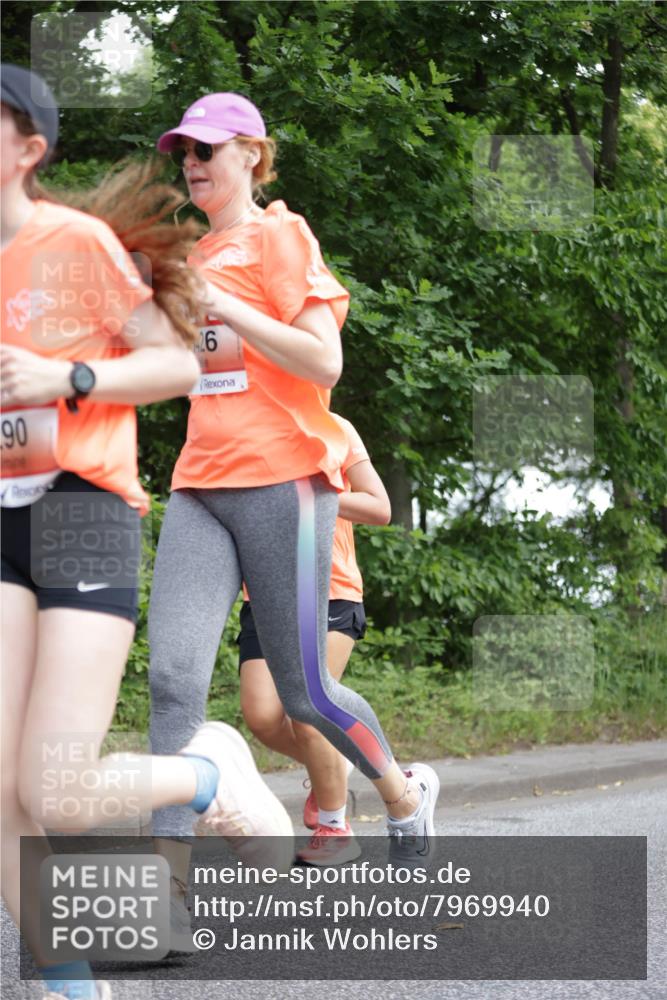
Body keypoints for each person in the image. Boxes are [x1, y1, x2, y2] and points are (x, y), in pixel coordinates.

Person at [0, 65, 293, 1000]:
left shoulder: (73, 243)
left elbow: (171, 364)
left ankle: (205, 774)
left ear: (28, 149)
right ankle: (72, 983)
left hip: (82, 507)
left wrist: (66, 383)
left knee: (54, 791)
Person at [148, 91, 440, 897]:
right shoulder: (187, 259)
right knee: (174, 681)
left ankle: (402, 795)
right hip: (200, 484)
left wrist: (227, 305)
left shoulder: (281, 234)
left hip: (286, 482)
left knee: (303, 692)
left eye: (207, 150)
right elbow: (179, 374)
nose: (193, 164)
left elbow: (323, 362)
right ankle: (166, 888)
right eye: (185, 152)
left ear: (251, 153)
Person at [239, 413, 391, 866]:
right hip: (266, 594)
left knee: (308, 712)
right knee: (263, 716)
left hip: (331, 588)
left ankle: (334, 826)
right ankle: (333, 761)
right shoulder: (243, 426)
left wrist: (317, 493)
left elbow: (380, 507)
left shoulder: (335, 428)